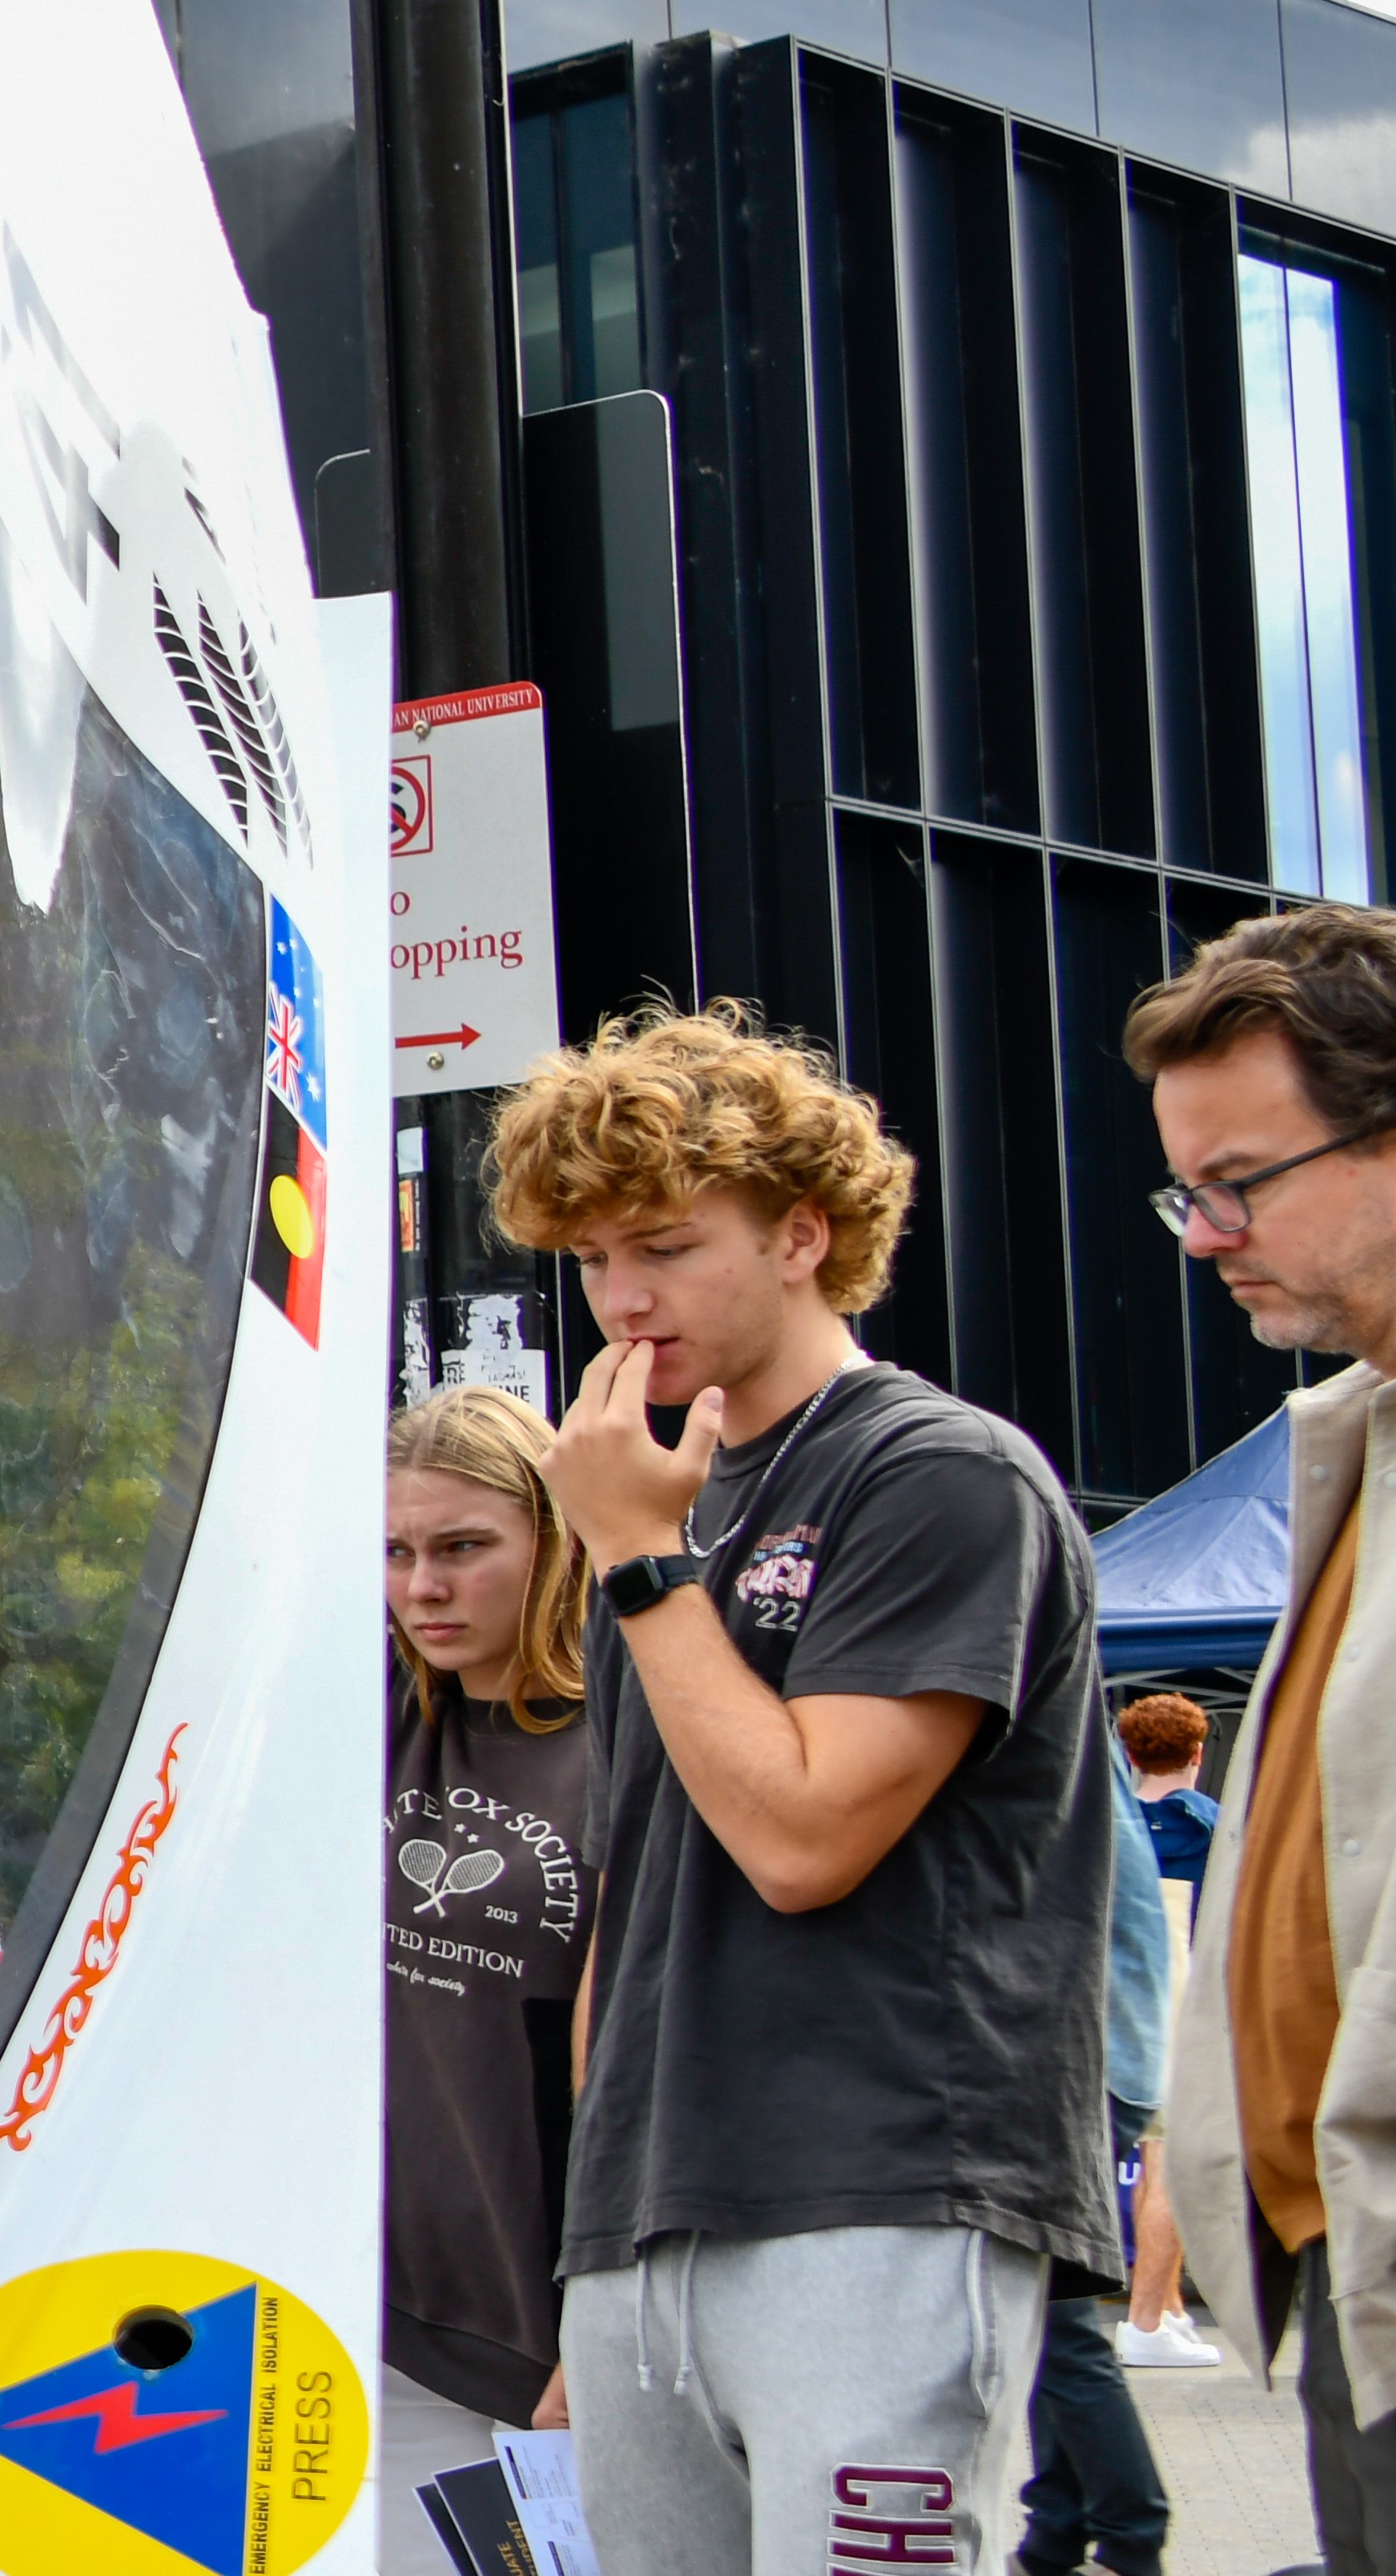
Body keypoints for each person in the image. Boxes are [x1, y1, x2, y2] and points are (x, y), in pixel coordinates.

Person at [503, 1001, 1109, 2576]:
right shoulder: (670, 1504)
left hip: (884, 2186)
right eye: (590, 1261)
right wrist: (592, 2236)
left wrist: (639, 1555)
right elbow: (635, 1893)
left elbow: (803, 1838)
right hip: (651, 2212)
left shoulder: (937, 1469)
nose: (624, 1303)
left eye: (663, 1246)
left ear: (803, 1234)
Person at [1128, 912, 1396, 2573]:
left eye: (1240, 1181)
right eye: (1185, 1191)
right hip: (1343, 2286)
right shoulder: (1345, 1450)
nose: (1203, 1235)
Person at [376, 1384, 602, 2501]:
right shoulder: (377, 1712)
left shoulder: (630, 1736)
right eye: (398, 1550)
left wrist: (604, 2320)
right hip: (370, 2301)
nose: (424, 1586)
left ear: (554, 1538)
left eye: (464, 1547)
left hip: (553, 2330)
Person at [1027, 1755, 1182, 2576]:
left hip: (1080, 2062)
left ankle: (1130, 2530)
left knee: (1049, 2318)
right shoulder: (1087, 1737)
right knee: (1051, 2310)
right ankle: (1058, 2528)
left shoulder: (1056, 1715)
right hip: (1101, 2057)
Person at [1114, 1691, 1225, 2369]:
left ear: (1128, 1753)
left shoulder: (1106, 1823)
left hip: (1122, 2001)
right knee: (1175, 2164)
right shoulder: (1216, 1829)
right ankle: (1146, 2321)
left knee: (1152, 2158)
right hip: (1188, 1999)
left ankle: (1170, 2307)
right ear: (1198, 1751)